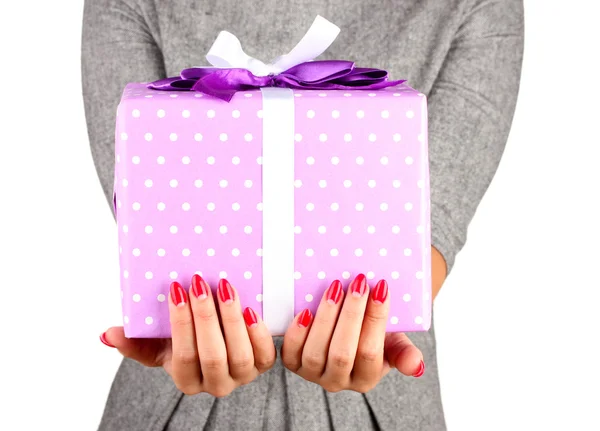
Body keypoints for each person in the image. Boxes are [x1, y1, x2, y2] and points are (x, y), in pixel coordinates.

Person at [82, 1, 524, 429]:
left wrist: (374, 323)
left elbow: (429, 235)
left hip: (380, 405)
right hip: (166, 403)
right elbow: (144, 214)